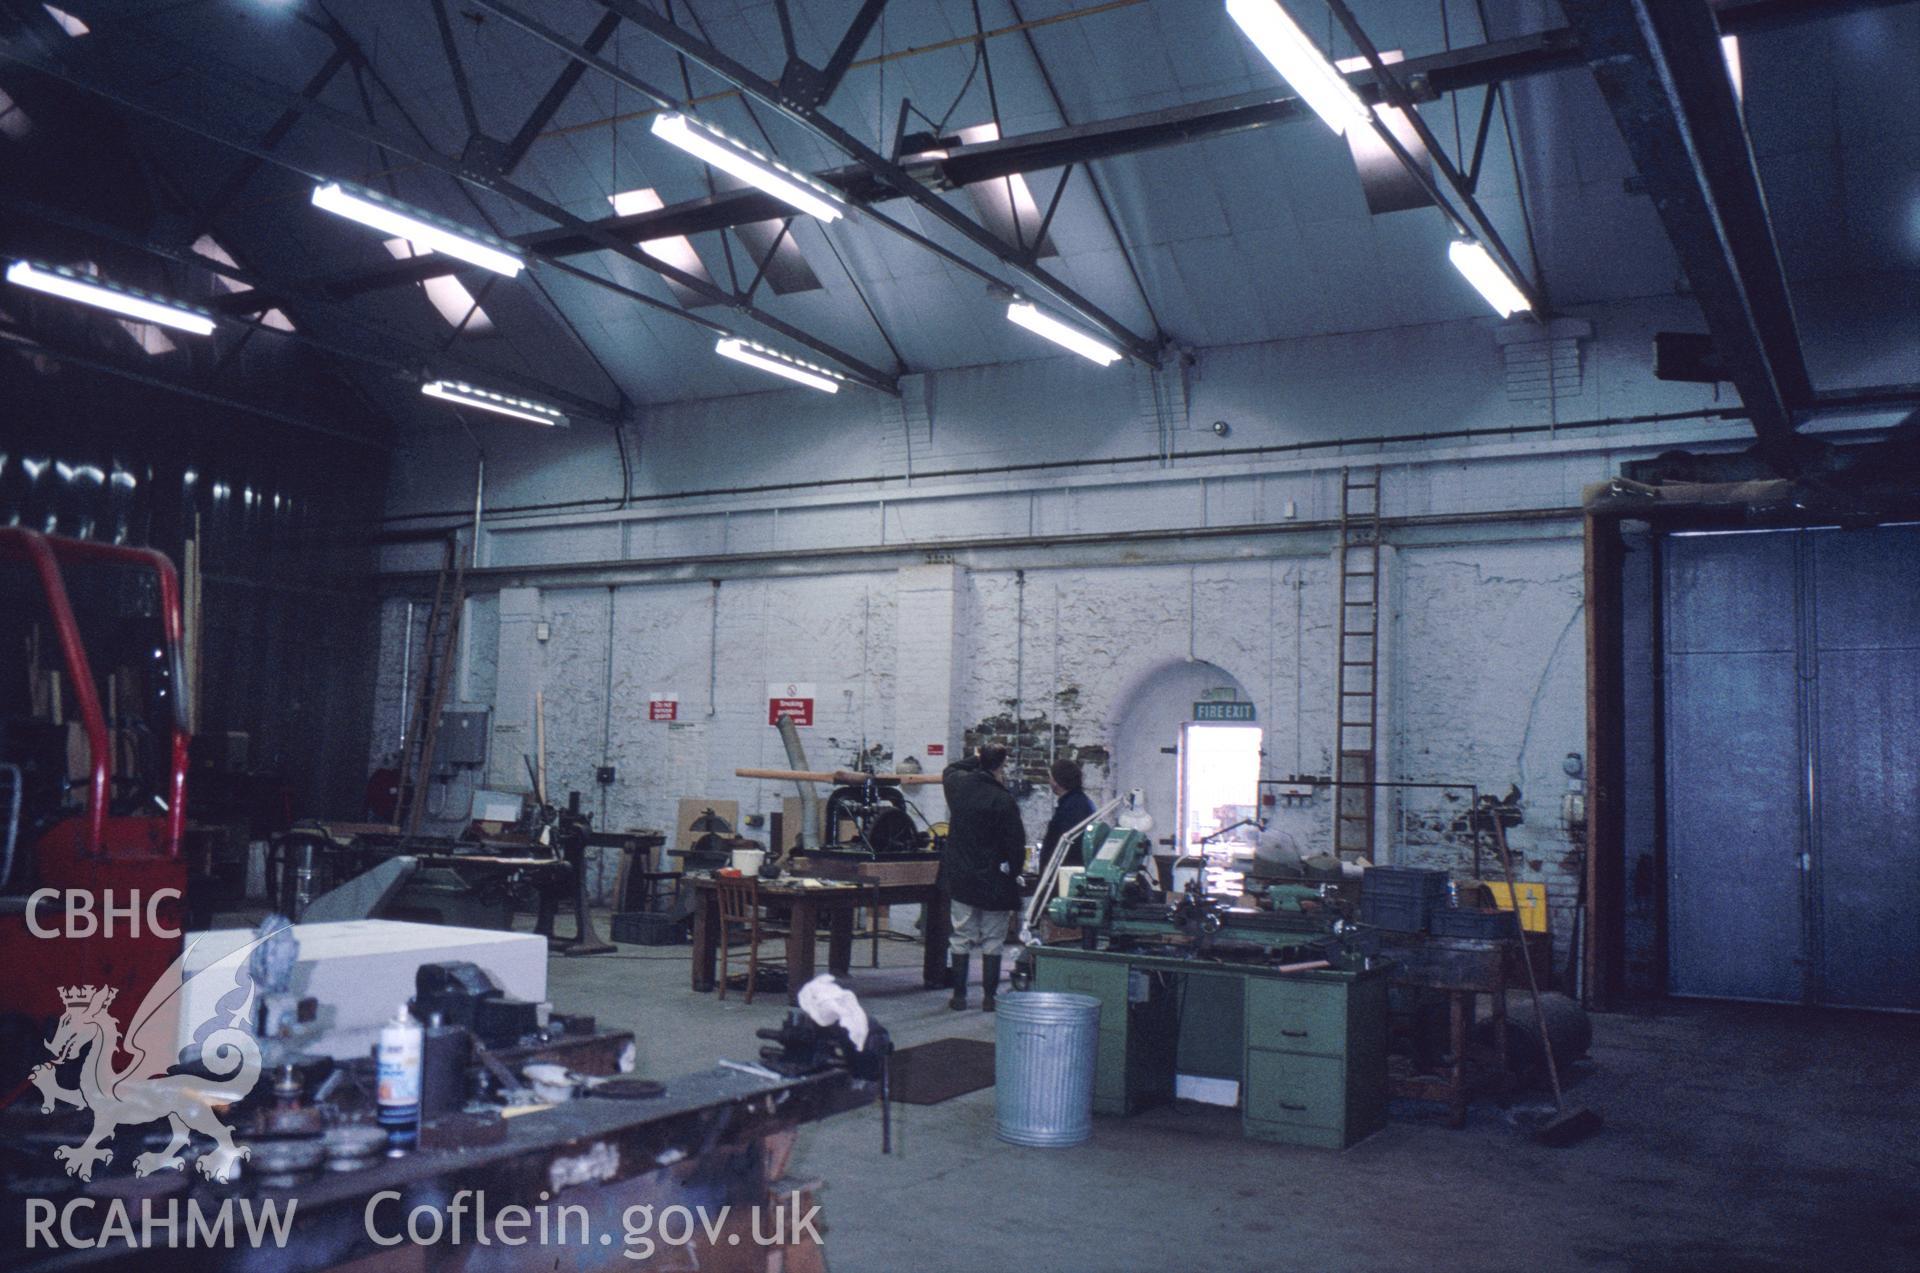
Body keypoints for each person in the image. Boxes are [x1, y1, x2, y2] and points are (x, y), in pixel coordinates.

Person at [940, 744, 1026, 1011]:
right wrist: (1015, 871)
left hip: (962, 876)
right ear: (1001, 766)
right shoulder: (1003, 799)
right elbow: (1015, 843)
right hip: (993, 881)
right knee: (993, 939)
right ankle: (989, 998)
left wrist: (975, 758)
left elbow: (950, 768)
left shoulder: (958, 787)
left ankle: (959, 996)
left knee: (960, 936)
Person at [1040, 758, 1097, 867]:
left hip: (1065, 871)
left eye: (1050, 778)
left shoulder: (1069, 809)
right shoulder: (1084, 802)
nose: (1049, 781)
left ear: (1057, 782)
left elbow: (1058, 845)